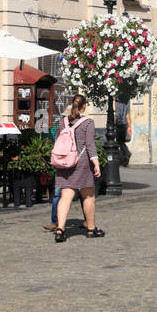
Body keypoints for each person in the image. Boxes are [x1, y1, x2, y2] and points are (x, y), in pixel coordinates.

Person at [53, 94, 103, 242]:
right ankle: (91, 229)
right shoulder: (88, 122)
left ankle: (60, 230)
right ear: (84, 106)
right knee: (88, 196)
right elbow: (90, 145)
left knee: (65, 196)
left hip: (64, 162)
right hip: (81, 163)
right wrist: (96, 163)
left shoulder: (62, 122)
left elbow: (58, 139)